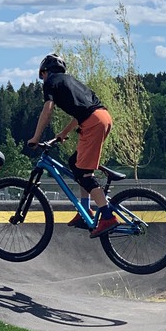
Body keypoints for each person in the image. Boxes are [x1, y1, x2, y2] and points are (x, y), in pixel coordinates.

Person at [28, 53, 117, 238]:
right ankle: (85, 212)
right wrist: (63, 134)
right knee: (75, 163)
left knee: (83, 175)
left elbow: (48, 108)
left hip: (93, 123)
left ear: (45, 71)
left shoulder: (50, 82)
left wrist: (36, 137)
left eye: (41, 76)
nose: (42, 79)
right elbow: (82, 112)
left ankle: (108, 216)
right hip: (102, 118)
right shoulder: (70, 81)